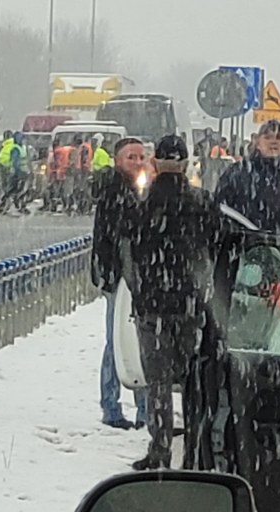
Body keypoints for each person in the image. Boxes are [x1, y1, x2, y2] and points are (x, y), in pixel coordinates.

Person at [129, 134, 226, 470]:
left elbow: (130, 256)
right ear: (185, 165)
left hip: (152, 307)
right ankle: (194, 455)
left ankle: (160, 449)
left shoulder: (142, 204)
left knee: (157, 382)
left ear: (154, 162)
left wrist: (140, 293)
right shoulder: (203, 202)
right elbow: (216, 249)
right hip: (190, 306)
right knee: (192, 382)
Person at [91, 137, 151, 431]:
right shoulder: (116, 192)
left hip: (129, 277)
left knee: (131, 341)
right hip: (121, 279)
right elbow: (124, 236)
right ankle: (114, 407)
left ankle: (139, 409)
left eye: (141, 157)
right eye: (131, 157)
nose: (138, 162)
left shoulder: (132, 189)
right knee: (121, 342)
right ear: (117, 161)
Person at [215, 120, 280, 232]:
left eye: (279, 137)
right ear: (257, 143)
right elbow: (221, 209)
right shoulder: (236, 173)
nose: (274, 142)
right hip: (243, 242)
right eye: (268, 137)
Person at [46, 137, 71, 213]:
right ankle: (66, 205)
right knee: (62, 191)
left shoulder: (57, 151)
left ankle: (55, 206)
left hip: (58, 173)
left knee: (56, 191)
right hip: (62, 172)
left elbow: (57, 163)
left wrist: (53, 174)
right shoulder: (63, 150)